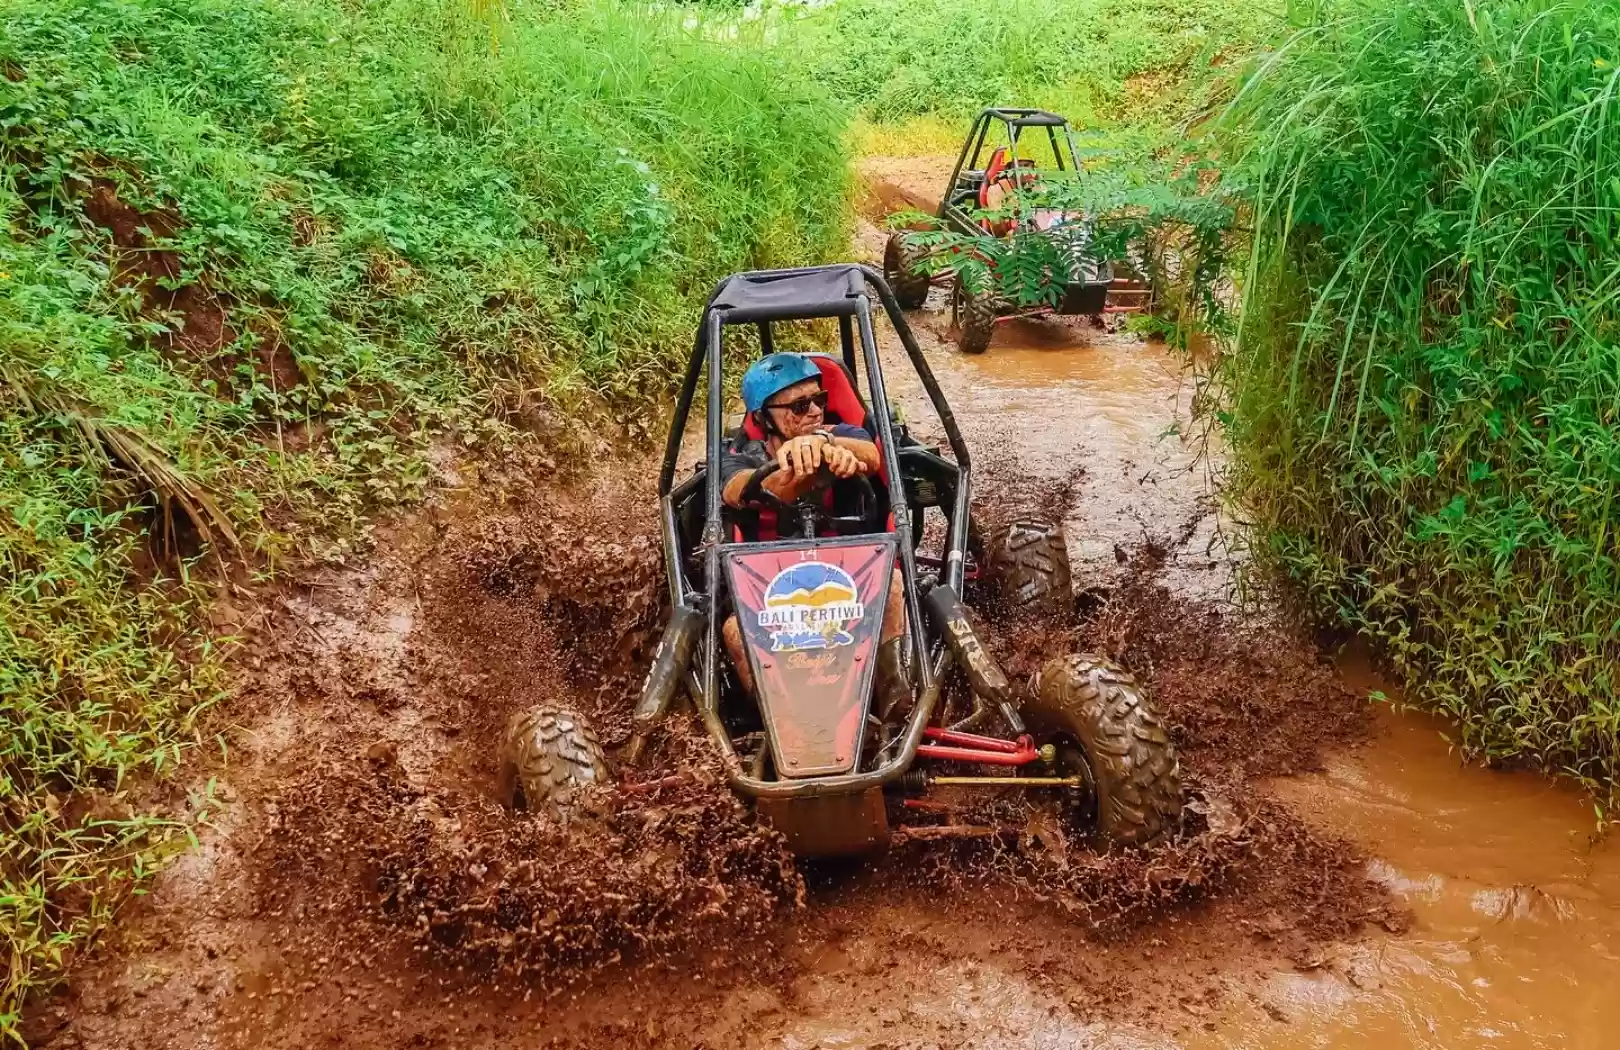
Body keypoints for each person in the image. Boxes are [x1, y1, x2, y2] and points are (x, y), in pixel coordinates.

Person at [718, 352, 913, 717]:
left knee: (895, 585)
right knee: (733, 630)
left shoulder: (842, 434)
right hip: (771, 590)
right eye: (799, 406)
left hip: (854, 576)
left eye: (819, 400)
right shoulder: (737, 455)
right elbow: (736, 488)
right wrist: (799, 466)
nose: (814, 411)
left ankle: (895, 703)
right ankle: (782, 722)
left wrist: (825, 445)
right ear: (763, 418)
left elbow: (870, 454)